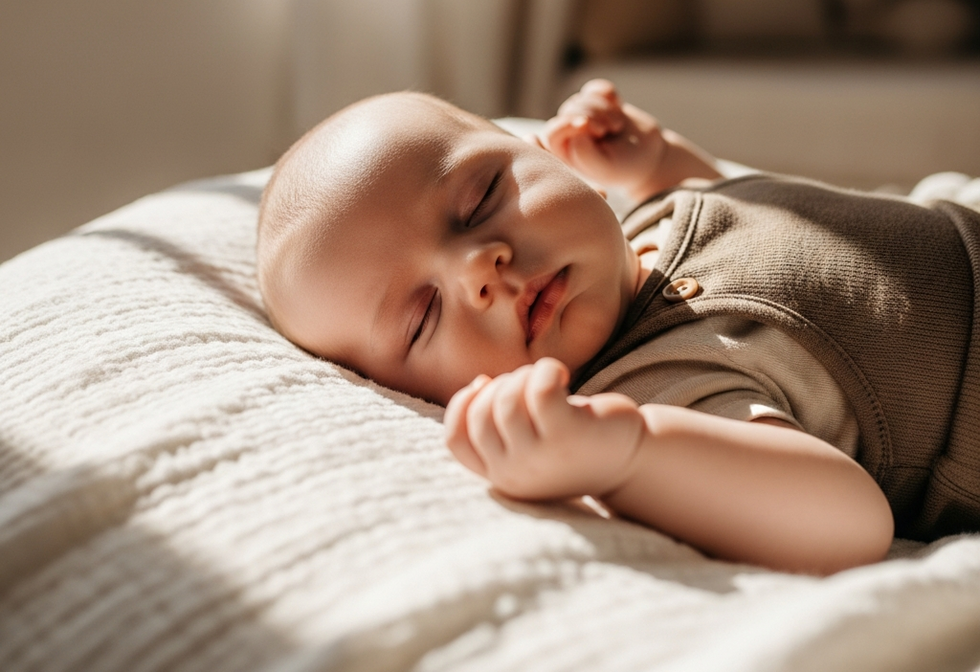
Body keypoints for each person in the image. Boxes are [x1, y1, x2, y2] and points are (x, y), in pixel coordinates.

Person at [257, 80, 980, 575]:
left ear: (540, 151)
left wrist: (657, 161)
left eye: (479, 199)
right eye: (422, 316)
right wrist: (627, 456)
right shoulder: (661, 386)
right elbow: (845, 520)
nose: (480, 267)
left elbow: (746, 207)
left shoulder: (650, 222)